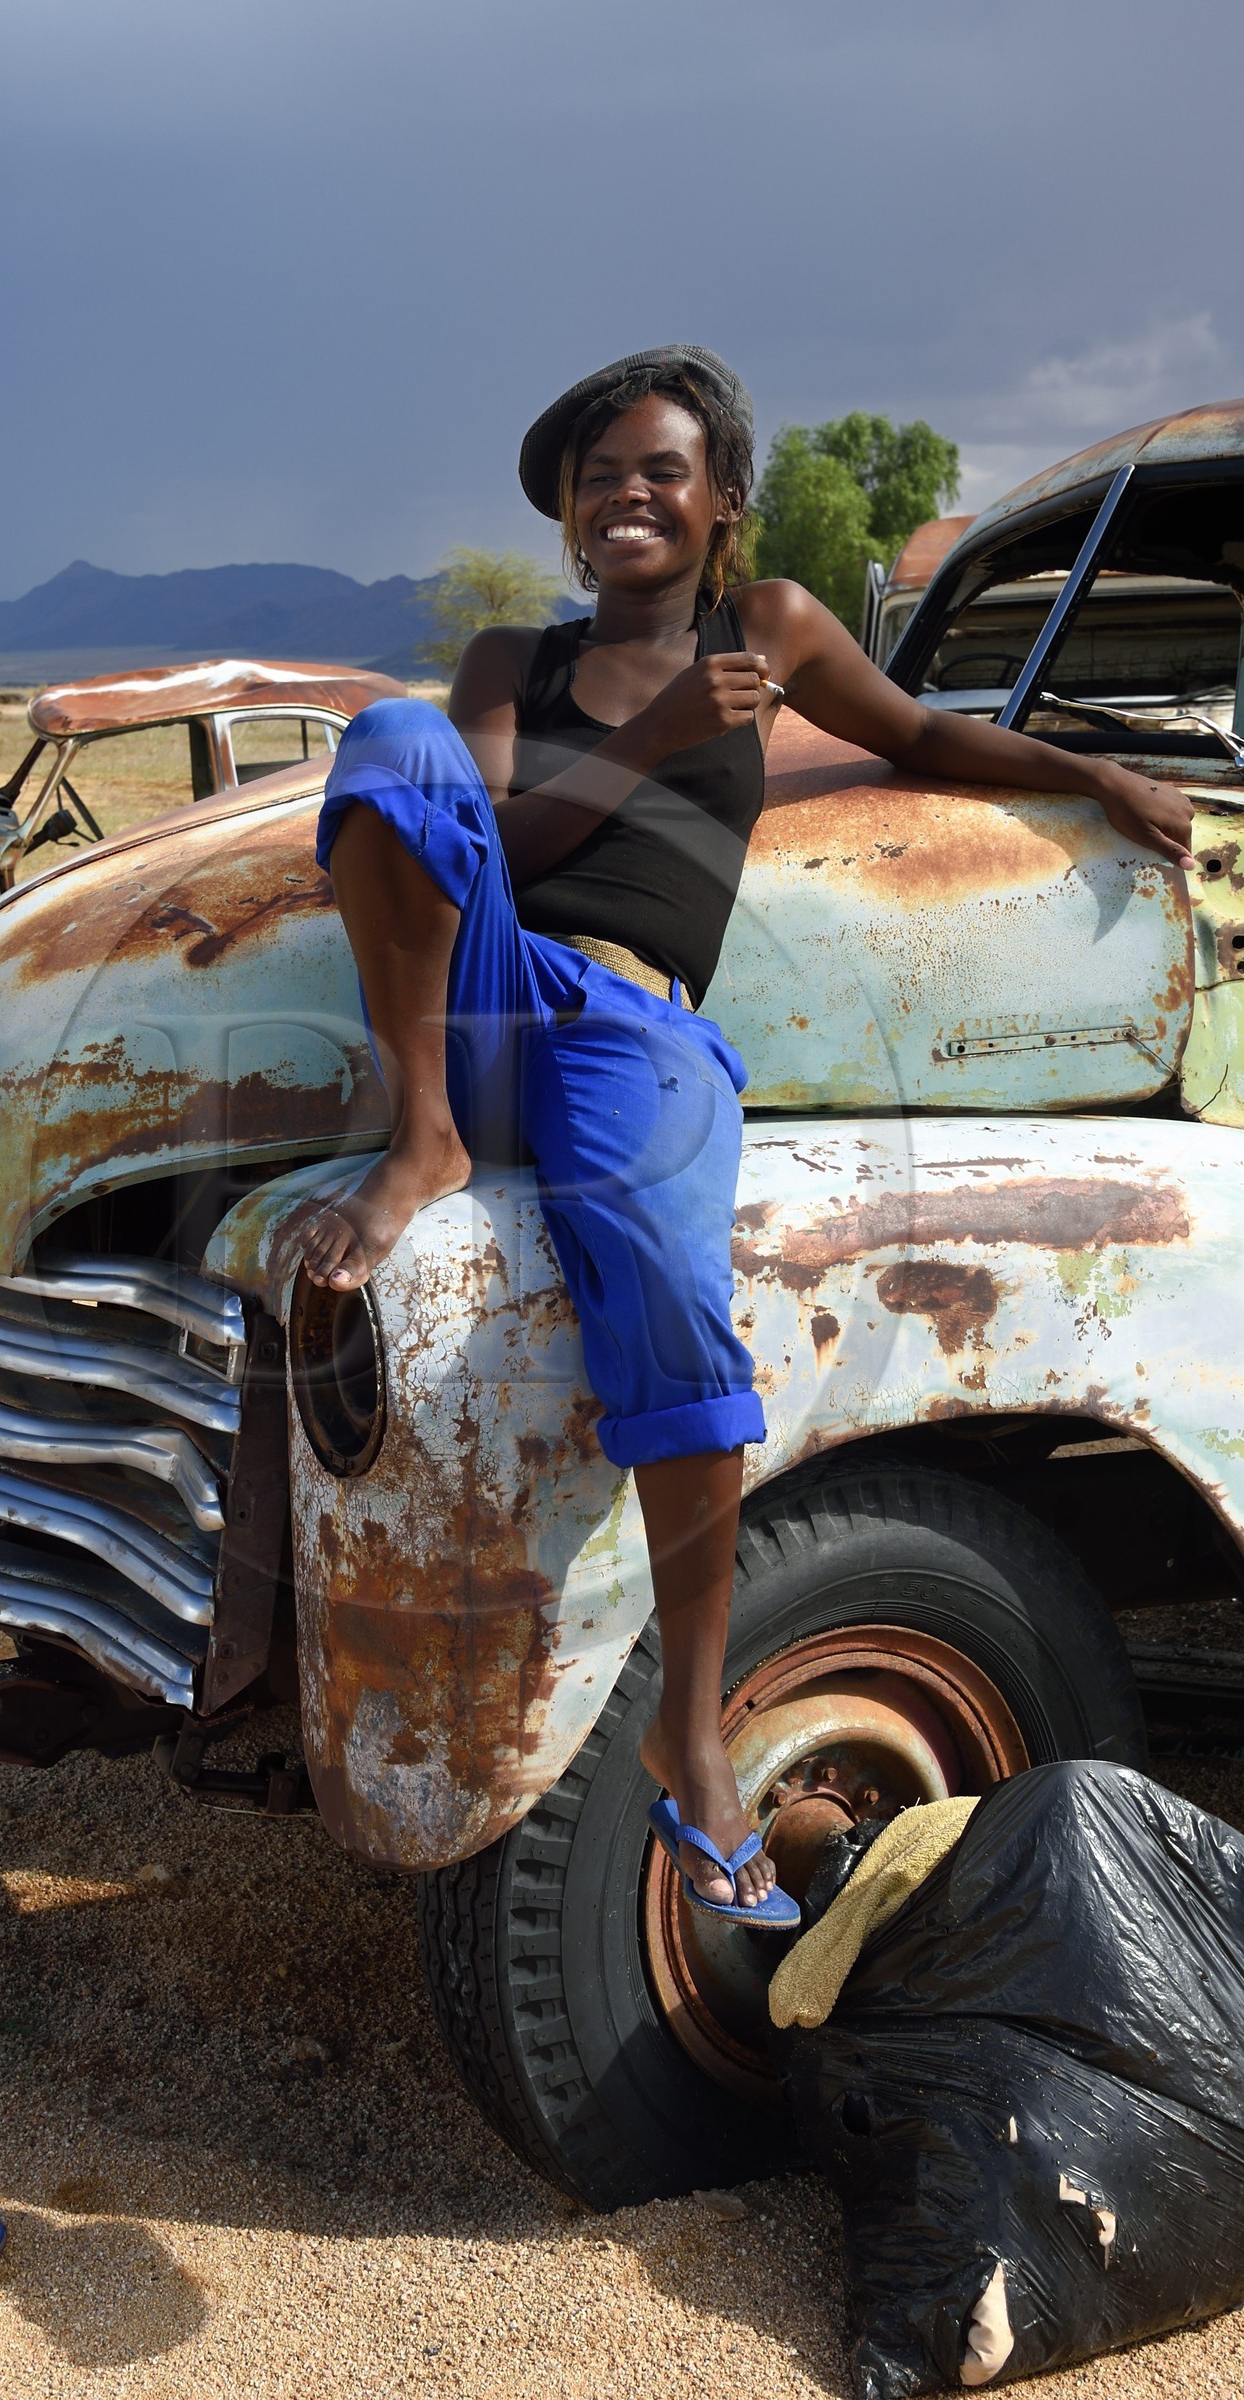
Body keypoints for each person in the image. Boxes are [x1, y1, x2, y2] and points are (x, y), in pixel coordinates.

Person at [300, 345, 1195, 1920]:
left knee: (661, 1286)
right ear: (570, 524)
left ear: (722, 504)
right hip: (498, 991)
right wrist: (645, 747)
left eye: (660, 471)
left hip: (636, 1021)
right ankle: (424, 1138)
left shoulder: (769, 630)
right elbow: (480, 844)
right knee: (391, 745)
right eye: (598, 478)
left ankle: (687, 1727)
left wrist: (1090, 772)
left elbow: (918, 738)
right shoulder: (516, 658)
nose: (625, 495)